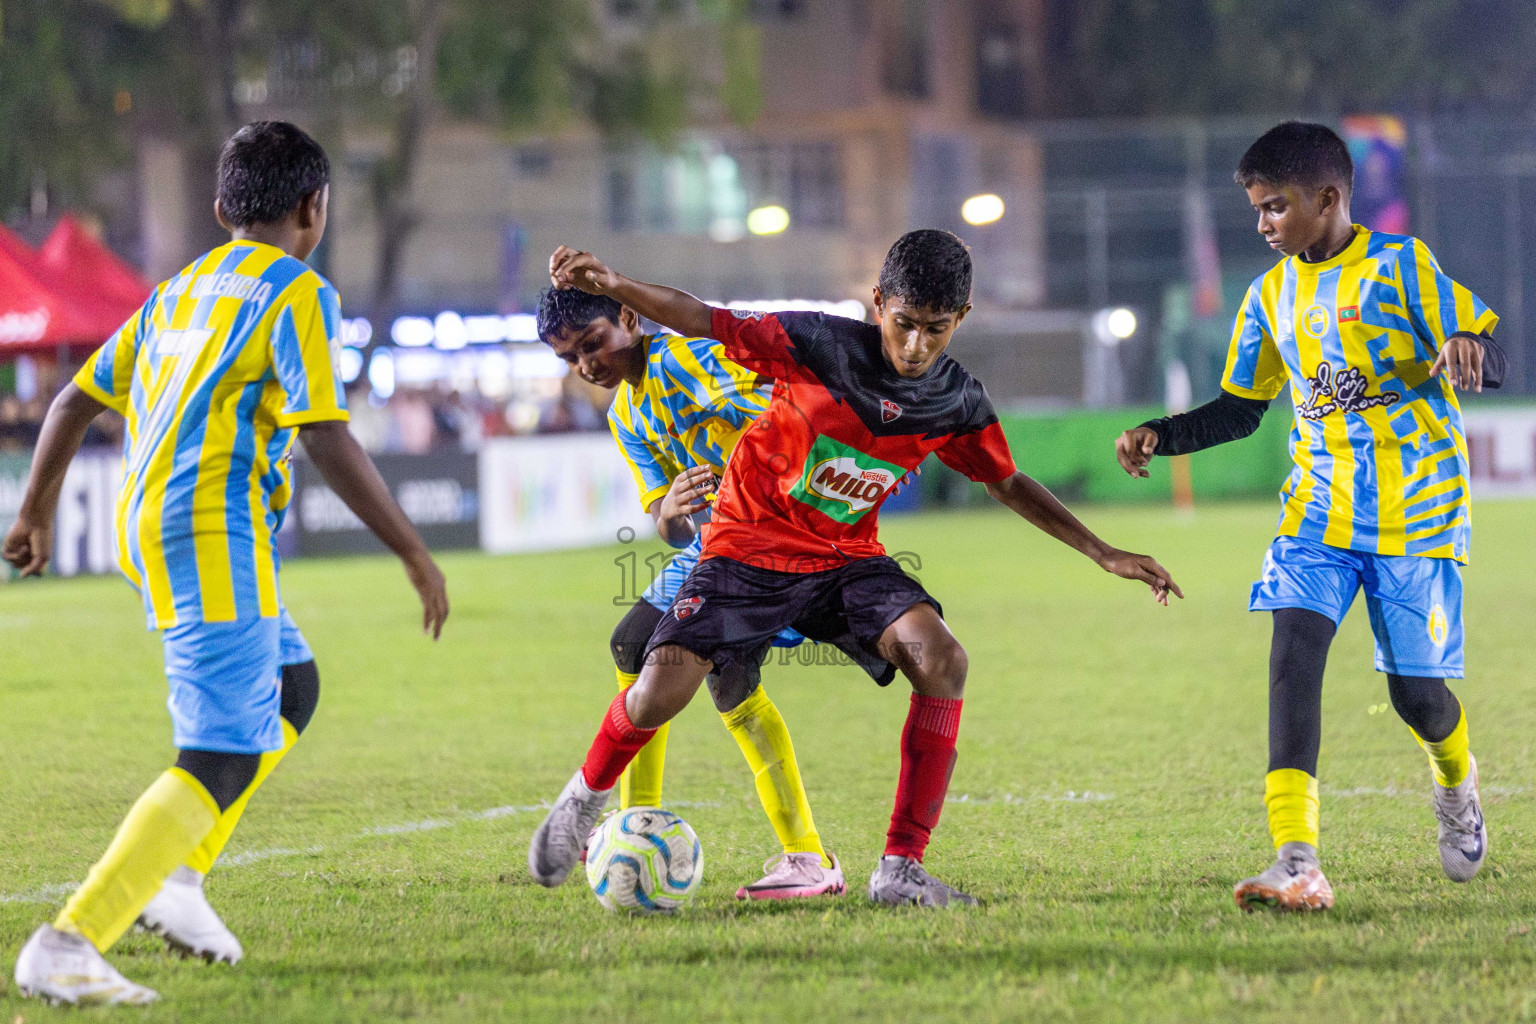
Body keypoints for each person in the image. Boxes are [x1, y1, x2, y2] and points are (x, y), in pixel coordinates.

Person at [530, 230, 1182, 908]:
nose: (915, 346)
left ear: (960, 320)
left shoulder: (957, 401)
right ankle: (584, 799)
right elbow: (705, 318)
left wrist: (1104, 551)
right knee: (659, 687)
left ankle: (900, 868)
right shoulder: (820, 344)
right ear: (878, 305)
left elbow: (1007, 481)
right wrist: (617, 284)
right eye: (903, 324)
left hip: (846, 559)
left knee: (943, 657)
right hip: (746, 547)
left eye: (935, 329)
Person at [4, 121, 450, 1005]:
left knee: (292, 688)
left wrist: (34, 511)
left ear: (220, 210)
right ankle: (73, 939)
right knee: (214, 750)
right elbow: (324, 433)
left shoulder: (179, 289)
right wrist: (411, 547)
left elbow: (72, 400)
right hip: (209, 531)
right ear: (313, 209)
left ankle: (177, 880)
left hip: (155, 522)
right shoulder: (297, 292)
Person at [1114, 121, 1509, 913]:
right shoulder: (1269, 294)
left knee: (1418, 699)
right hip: (1316, 516)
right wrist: (1165, 433)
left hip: (1416, 518)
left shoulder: (1405, 268)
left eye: (1275, 207)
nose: (1263, 224)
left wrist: (1469, 345)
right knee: (1293, 655)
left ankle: (1456, 780)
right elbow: (1241, 407)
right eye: (1257, 209)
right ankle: (1296, 860)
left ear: (1328, 199)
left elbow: (1490, 350)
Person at [535, 286, 845, 900]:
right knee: (633, 646)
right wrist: (671, 510)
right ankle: (633, 818)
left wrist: (763, 468)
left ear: (627, 316)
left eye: (592, 344)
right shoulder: (625, 412)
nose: (588, 365)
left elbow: (795, 402)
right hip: (713, 547)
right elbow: (666, 521)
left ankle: (808, 857)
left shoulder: (703, 355)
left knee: (731, 681)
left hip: (781, 541)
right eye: (571, 359)